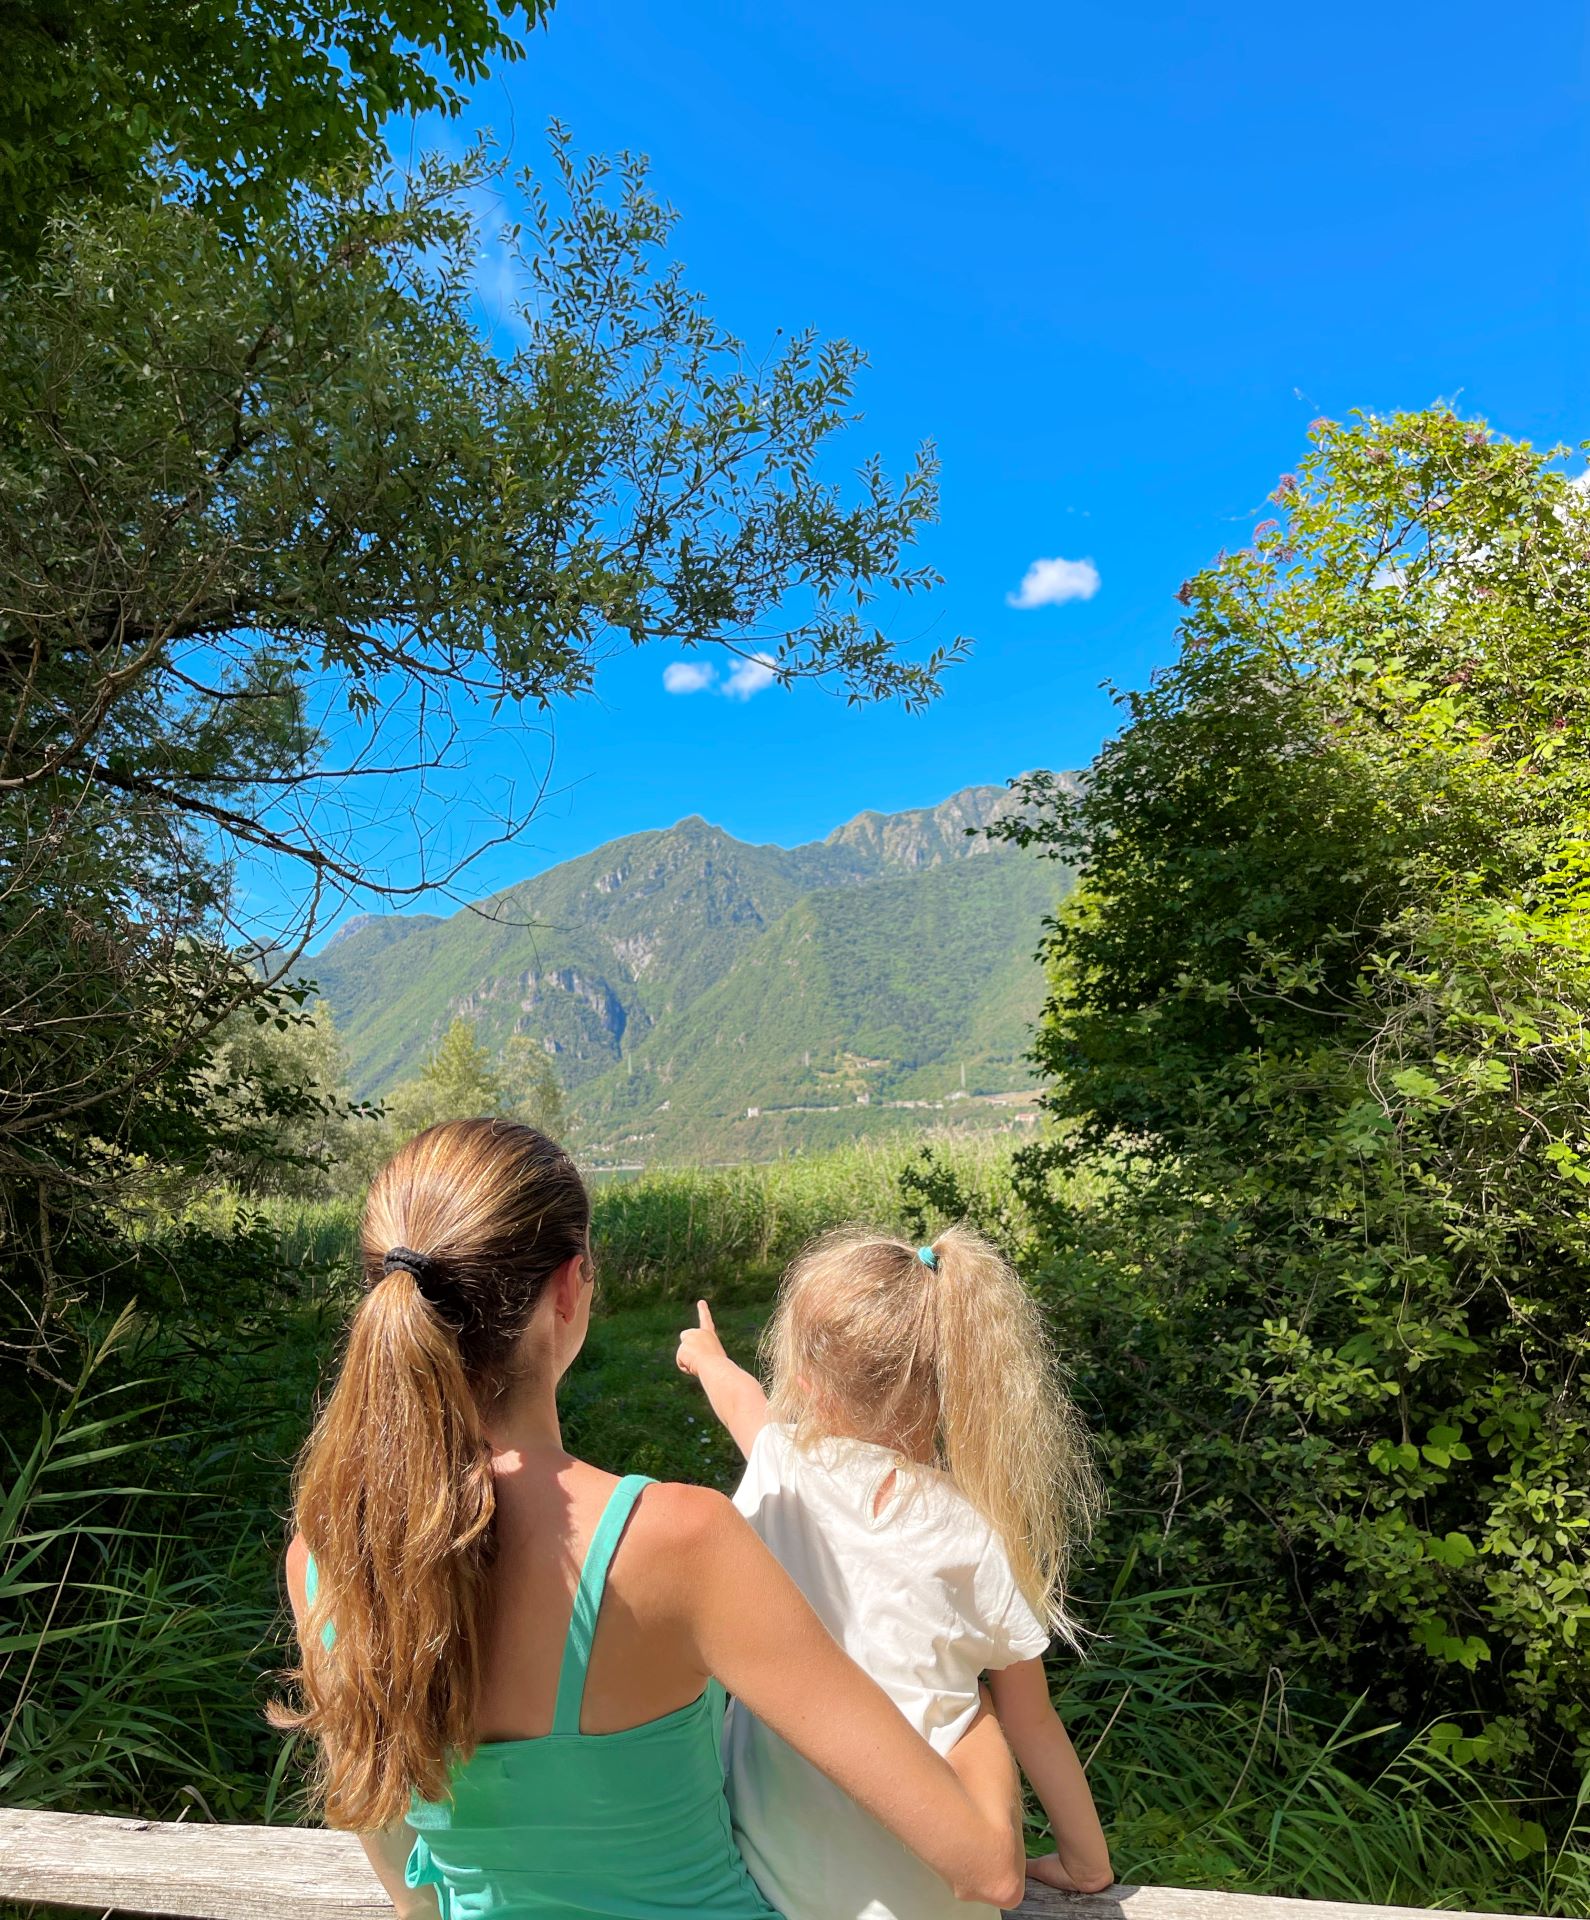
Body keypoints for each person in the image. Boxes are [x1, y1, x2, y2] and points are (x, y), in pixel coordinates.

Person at [273, 1120, 1027, 1920]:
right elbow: (987, 1870)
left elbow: (411, 1891)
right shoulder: (673, 1541)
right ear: (569, 1290)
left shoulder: (326, 1561)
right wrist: (976, 1720)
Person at [676, 1224, 1114, 1920]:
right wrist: (1087, 1863)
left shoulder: (784, 1467)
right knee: (989, 1713)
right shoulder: (970, 1532)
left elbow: (743, 1405)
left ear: (803, 1379)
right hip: (942, 1893)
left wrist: (705, 1356)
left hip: (775, 1887)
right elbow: (1033, 1723)